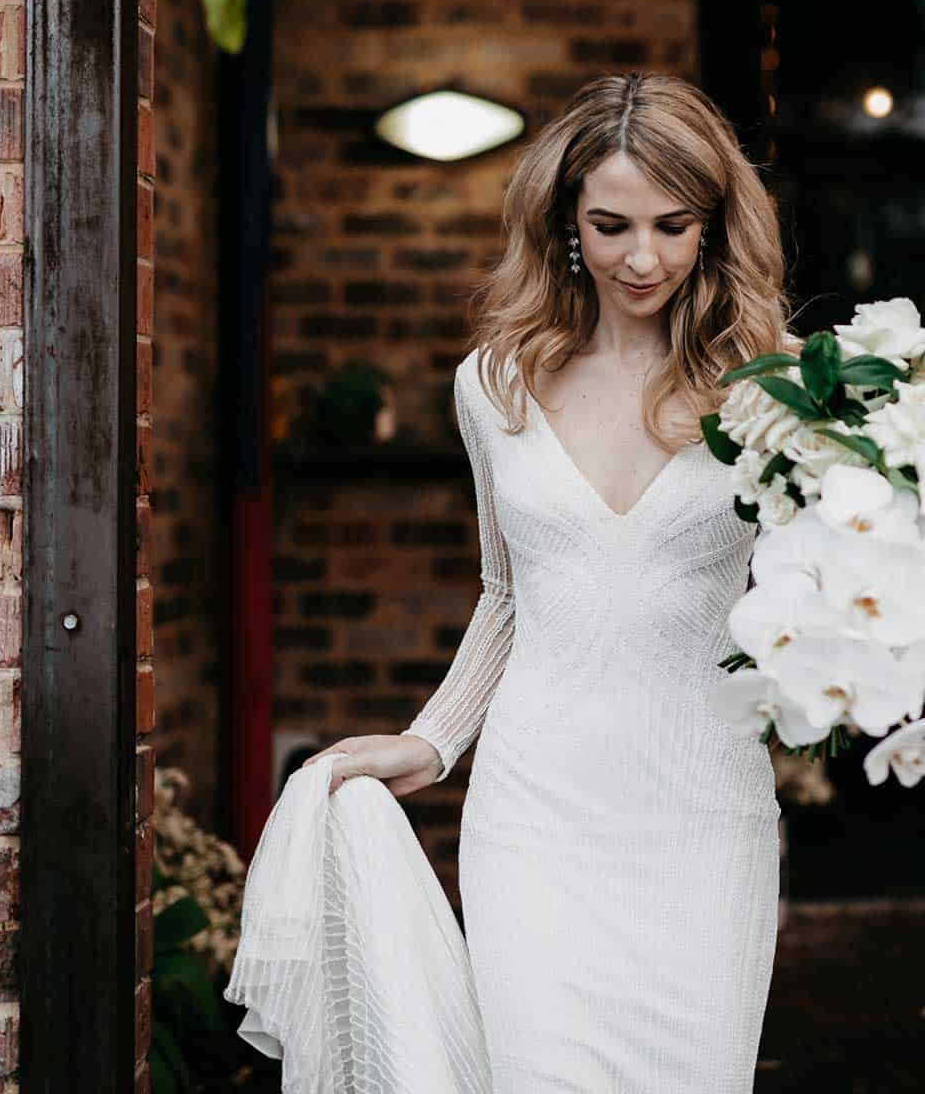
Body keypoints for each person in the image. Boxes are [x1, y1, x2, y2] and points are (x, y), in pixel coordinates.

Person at [300, 71, 795, 1090]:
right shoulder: (494, 382)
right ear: (566, 221)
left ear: (711, 226)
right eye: (611, 225)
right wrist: (435, 739)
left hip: (703, 810)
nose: (642, 257)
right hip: (534, 814)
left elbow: (827, 580)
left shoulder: (775, 386)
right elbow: (507, 592)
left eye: (673, 224)